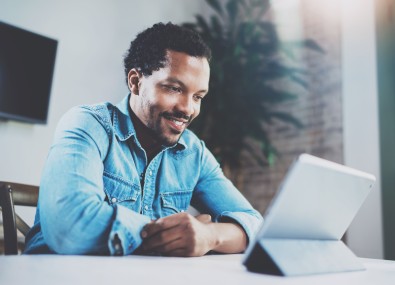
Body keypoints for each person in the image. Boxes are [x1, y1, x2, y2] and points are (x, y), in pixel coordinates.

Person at [24, 22, 263, 256]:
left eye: (198, 97)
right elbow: (70, 227)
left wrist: (209, 236)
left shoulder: (193, 153)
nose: (188, 109)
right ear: (135, 82)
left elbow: (254, 223)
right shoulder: (88, 125)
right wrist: (170, 235)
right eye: (174, 89)